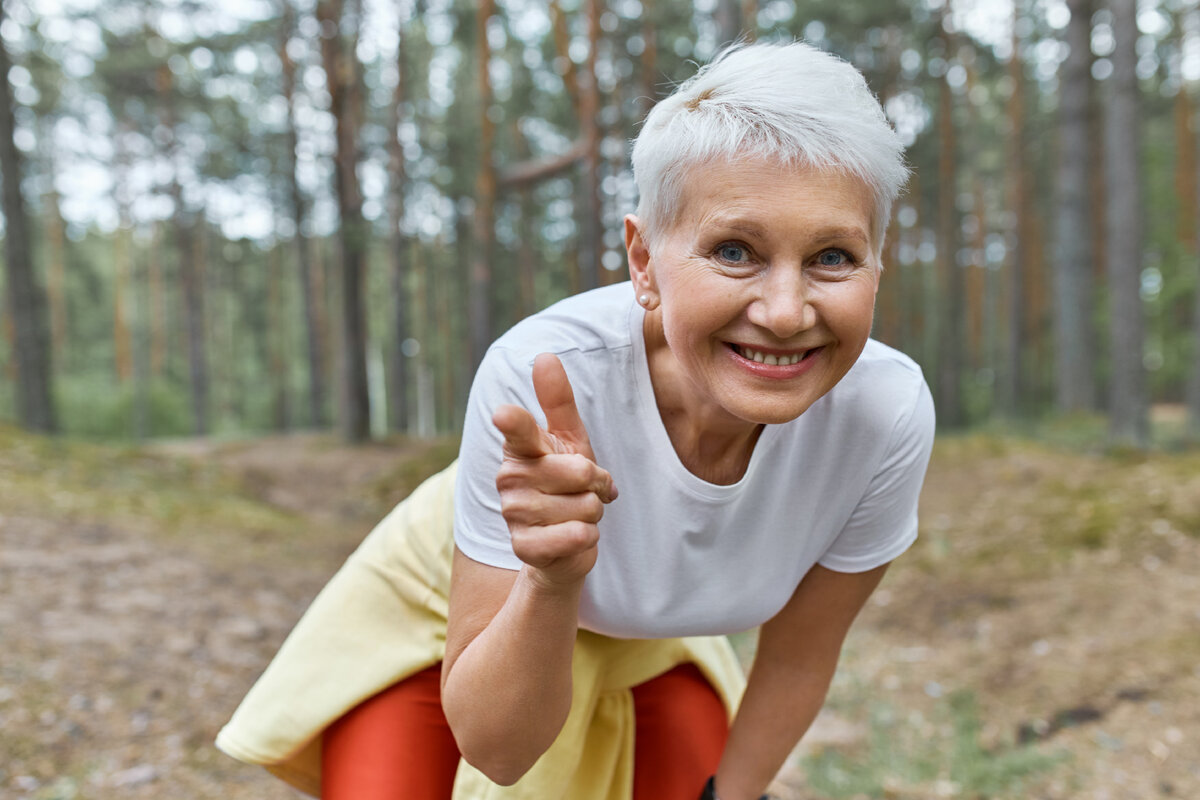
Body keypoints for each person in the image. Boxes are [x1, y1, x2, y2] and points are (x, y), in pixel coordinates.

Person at [217, 40, 934, 800]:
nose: (786, 313)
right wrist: (551, 578)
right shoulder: (546, 370)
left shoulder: (883, 414)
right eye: (734, 250)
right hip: (462, 617)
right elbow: (498, 750)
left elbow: (798, 658)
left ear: (877, 264)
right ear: (644, 262)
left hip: (650, 644)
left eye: (832, 257)